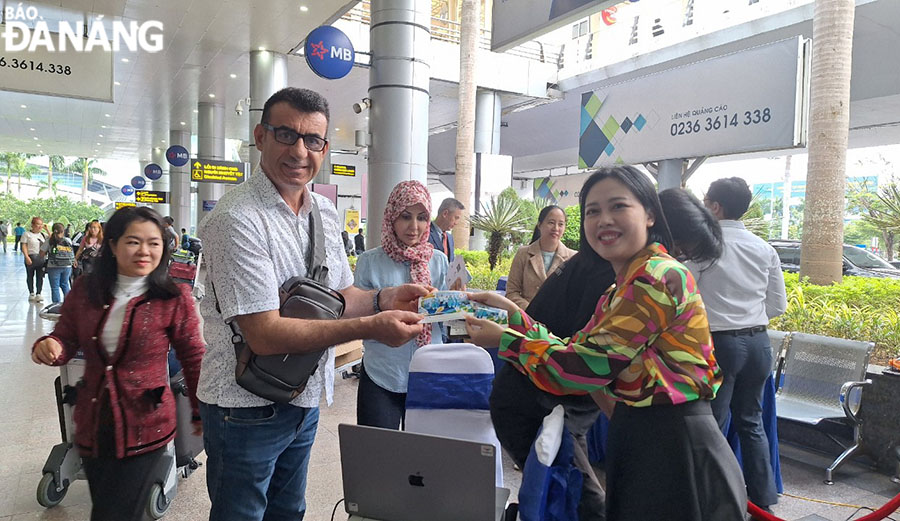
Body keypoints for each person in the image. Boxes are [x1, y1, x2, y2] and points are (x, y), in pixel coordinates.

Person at [197, 87, 429, 521]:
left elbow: (339, 296)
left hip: (302, 397)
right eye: (286, 134)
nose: (300, 151)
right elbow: (264, 334)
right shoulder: (236, 219)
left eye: (314, 140)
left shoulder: (322, 210)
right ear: (260, 136)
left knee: (289, 511)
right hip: (244, 406)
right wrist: (372, 327)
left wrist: (382, 298)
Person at [466, 166, 747, 521]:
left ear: (649, 215)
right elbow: (576, 349)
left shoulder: (655, 277)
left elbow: (580, 370)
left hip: (673, 444)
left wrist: (506, 340)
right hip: (646, 437)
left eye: (618, 206)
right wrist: (512, 313)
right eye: (592, 211)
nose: (604, 220)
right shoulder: (622, 286)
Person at [30, 206, 205, 521]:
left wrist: (200, 411)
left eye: (154, 242)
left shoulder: (172, 298)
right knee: (106, 504)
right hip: (93, 424)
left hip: (146, 427)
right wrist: (51, 345)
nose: (145, 251)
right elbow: (66, 336)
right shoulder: (86, 290)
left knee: (115, 513)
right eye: (133, 241)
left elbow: (193, 356)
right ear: (112, 245)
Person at [685, 177, 786, 511]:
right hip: (759, 345)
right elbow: (778, 306)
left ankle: (713, 501)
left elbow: (685, 296)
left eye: (704, 202)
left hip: (719, 346)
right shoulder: (764, 248)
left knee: (711, 426)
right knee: (751, 423)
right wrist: (749, 316)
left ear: (715, 207)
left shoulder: (705, 247)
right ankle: (763, 503)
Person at [354, 181, 449, 429]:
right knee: (378, 455)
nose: (414, 226)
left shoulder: (438, 261)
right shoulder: (369, 262)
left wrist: (454, 305)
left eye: (422, 217)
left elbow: (447, 325)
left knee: (421, 458)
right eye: (406, 216)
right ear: (391, 217)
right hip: (382, 372)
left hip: (428, 373)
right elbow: (357, 317)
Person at [505, 205, 575, 309]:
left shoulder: (573, 258)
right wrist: (531, 311)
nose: (556, 228)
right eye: (551, 222)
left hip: (559, 322)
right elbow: (511, 292)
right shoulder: (523, 254)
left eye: (561, 224)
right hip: (527, 319)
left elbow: (575, 297)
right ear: (539, 225)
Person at [42, 222, 76, 303]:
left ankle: (56, 305)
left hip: (53, 266)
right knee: (65, 284)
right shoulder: (68, 240)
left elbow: (41, 253)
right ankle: (68, 304)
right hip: (67, 266)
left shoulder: (49, 241)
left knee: (55, 287)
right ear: (63, 231)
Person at [427, 197, 465, 262]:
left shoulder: (450, 238)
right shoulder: (424, 233)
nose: (456, 223)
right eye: (456, 218)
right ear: (445, 214)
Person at [21, 217, 47, 302]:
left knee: (40, 276)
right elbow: (24, 246)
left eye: (41, 224)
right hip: (31, 257)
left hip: (41, 258)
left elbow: (53, 239)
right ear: (32, 225)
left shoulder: (43, 235)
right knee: (30, 275)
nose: (40, 226)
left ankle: (39, 293)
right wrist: (26, 256)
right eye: (38, 224)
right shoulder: (26, 234)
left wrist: (47, 229)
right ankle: (31, 292)